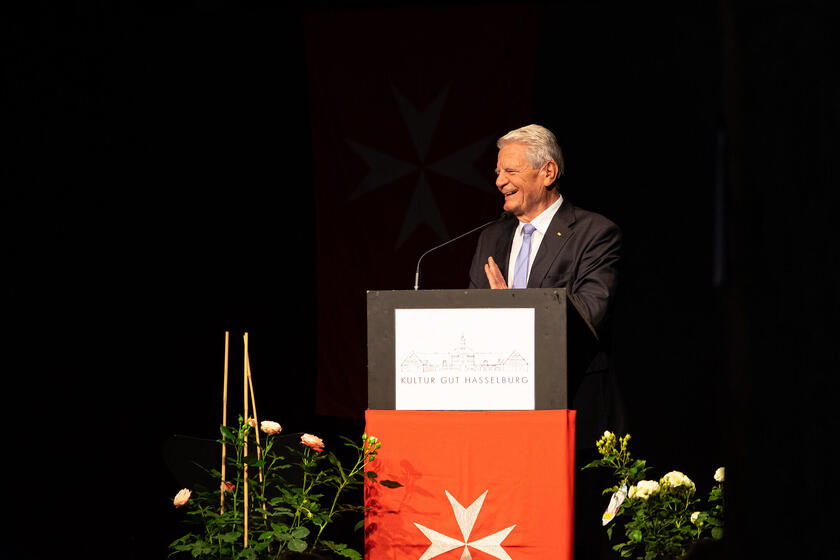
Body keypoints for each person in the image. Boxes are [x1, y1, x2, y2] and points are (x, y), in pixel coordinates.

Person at [469, 123, 626, 560]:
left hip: (571, 410)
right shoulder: (490, 237)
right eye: (497, 172)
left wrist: (514, 309)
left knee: (569, 539)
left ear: (548, 172)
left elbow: (589, 314)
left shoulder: (594, 233)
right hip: (502, 418)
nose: (499, 181)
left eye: (510, 171)